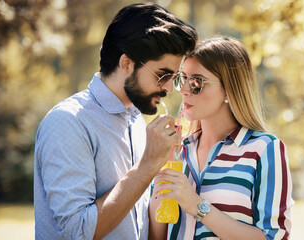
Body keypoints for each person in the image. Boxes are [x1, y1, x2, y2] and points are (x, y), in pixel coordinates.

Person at [34, 3, 197, 240]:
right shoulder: (68, 122)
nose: (170, 88)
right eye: (162, 75)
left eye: (174, 77)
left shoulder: (137, 122)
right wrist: (147, 166)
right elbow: (79, 231)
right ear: (127, 63)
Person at [149, 36, 294, 240]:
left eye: (196, 82)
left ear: (228, 89)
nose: (183, 91)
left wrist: (196, 205)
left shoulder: (264, 149)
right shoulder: (176, 151)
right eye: (183, 79)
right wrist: (158, 191)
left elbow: (274, 237)